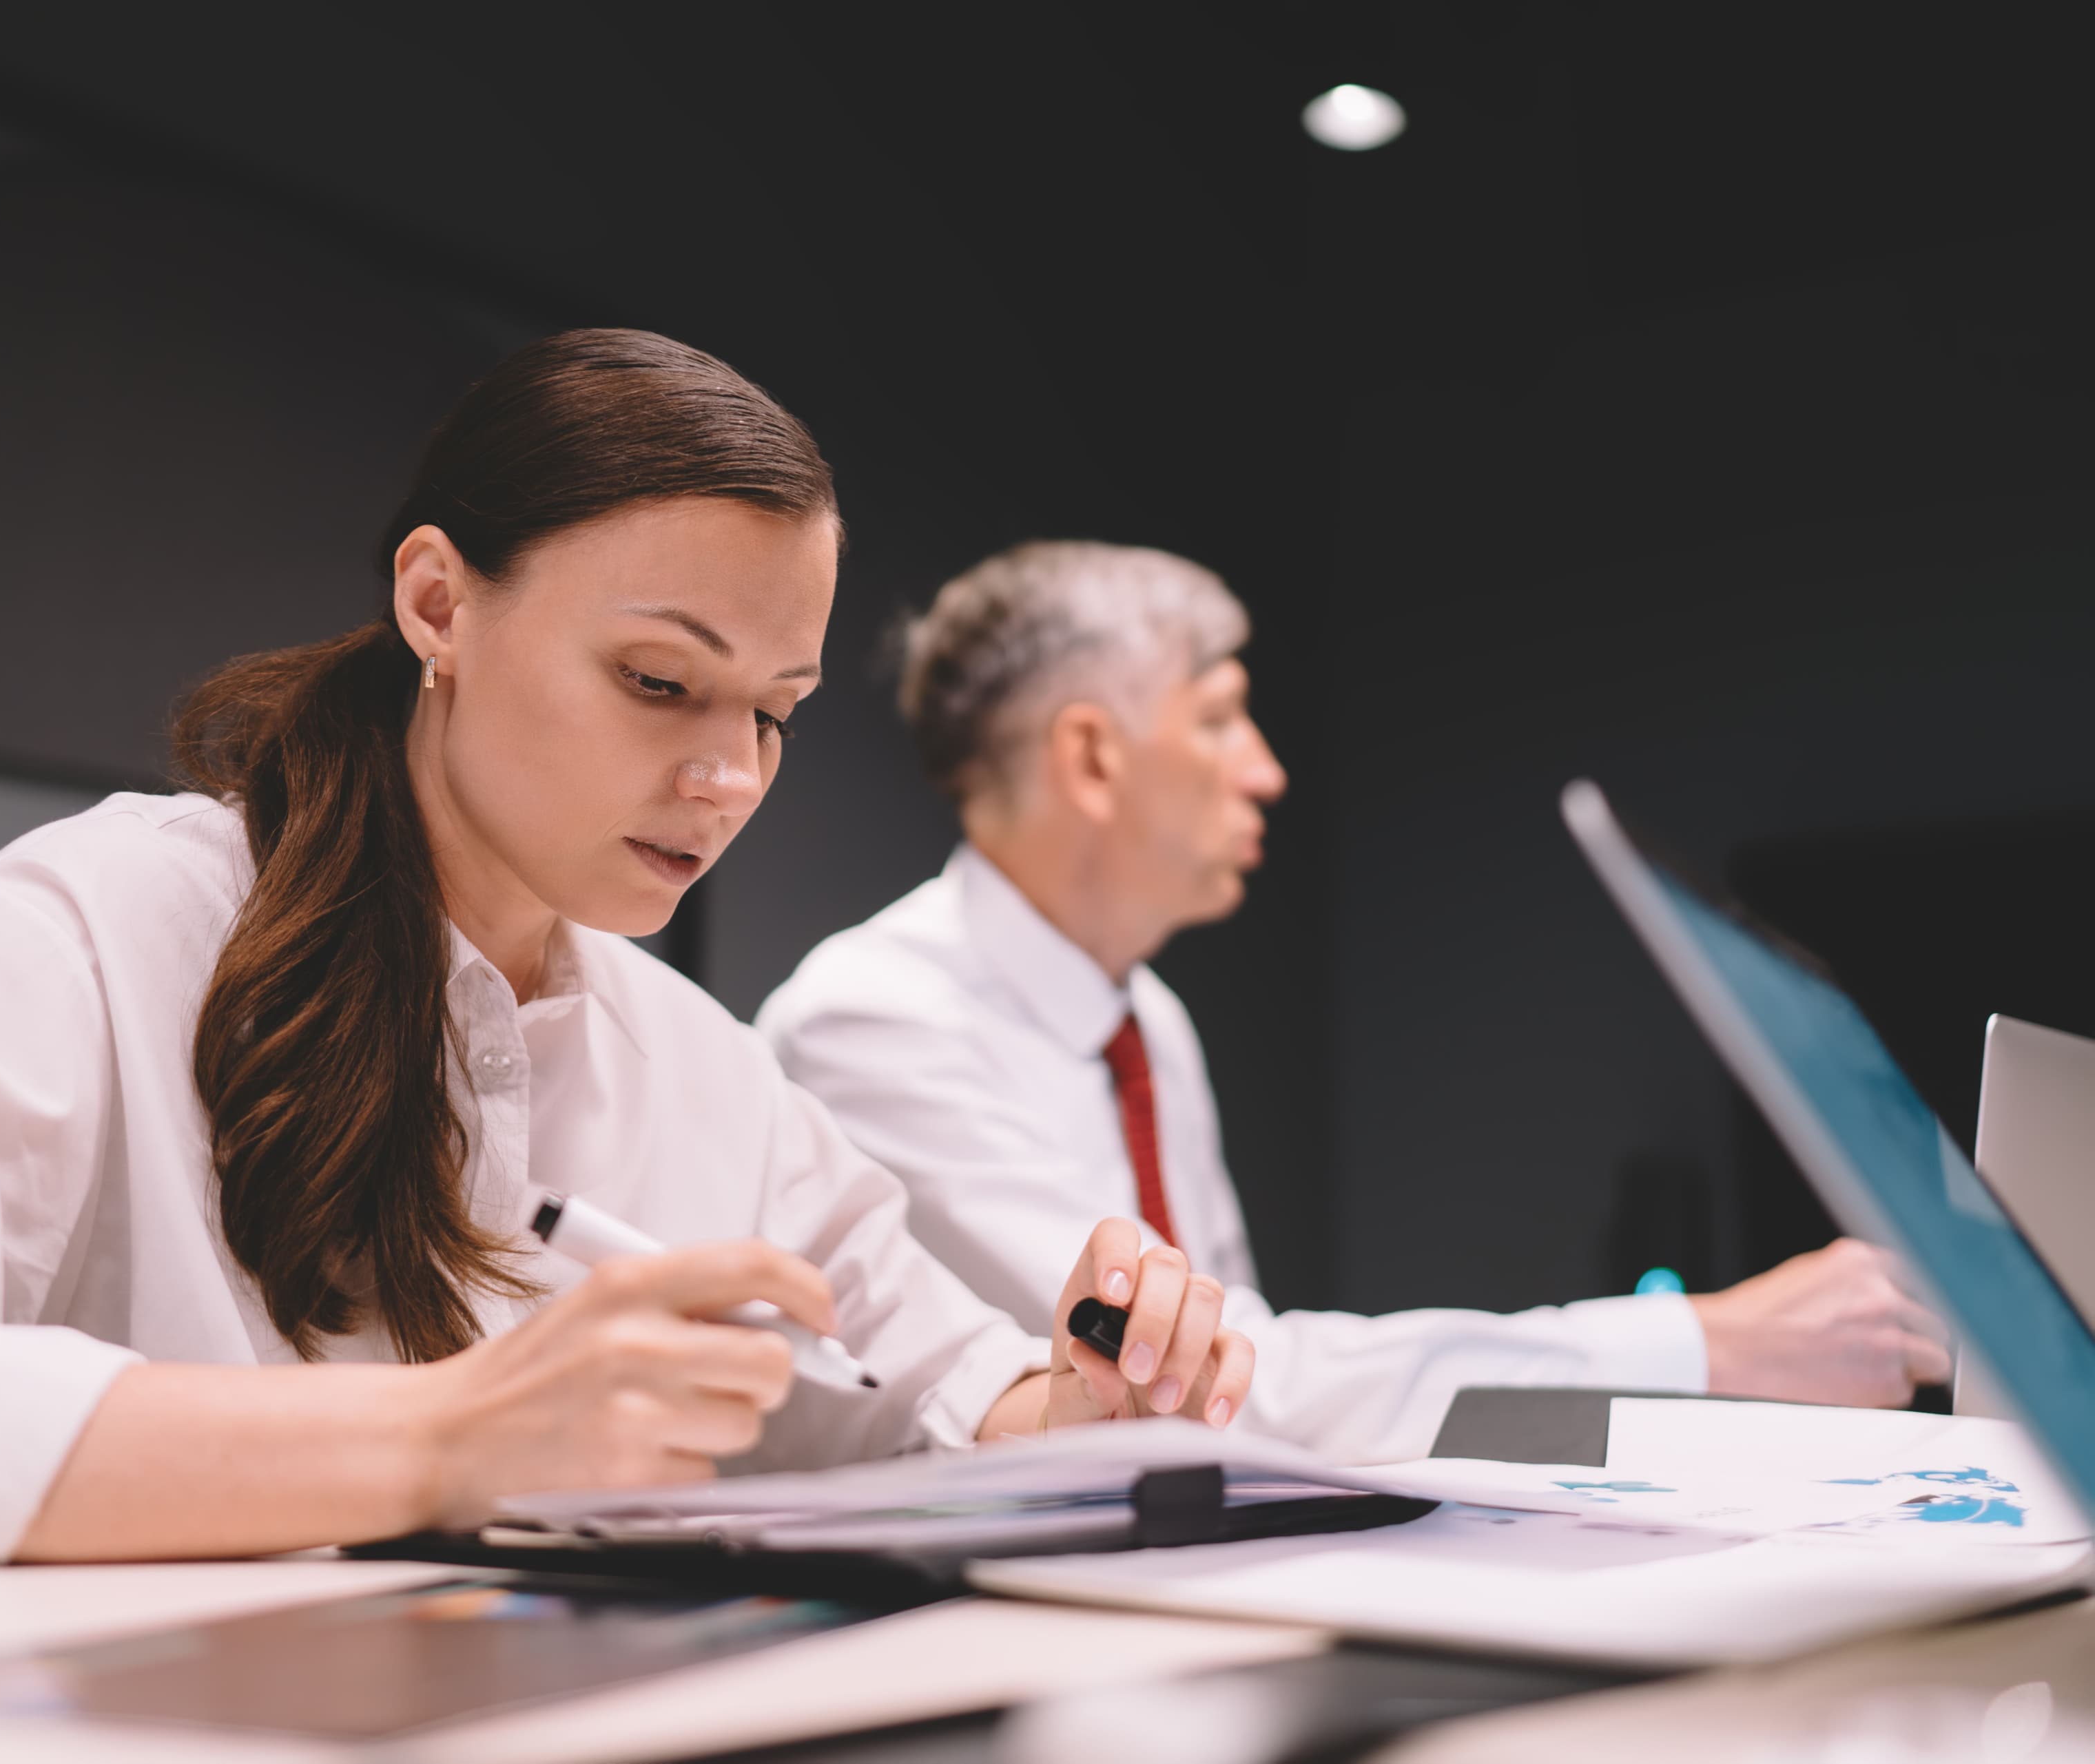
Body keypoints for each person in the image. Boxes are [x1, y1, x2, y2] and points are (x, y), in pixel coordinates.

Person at [0, 338, 1253, 1573]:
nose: (729, 776)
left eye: (774, 715)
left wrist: (1081, 1401)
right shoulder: (97, 929)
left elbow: (933, 1377)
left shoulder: (698, 1068)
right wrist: (444, 1436)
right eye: (660, 684)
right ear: (439, 604)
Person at [756, 539, 1953, 1464]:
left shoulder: (1146, 1022)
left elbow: (1235, 1374)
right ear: (1093, 757)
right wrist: (1704, 1342)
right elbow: (1215, 1385)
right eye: (1219, 717)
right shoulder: (875, 1021)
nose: (1266, 769)